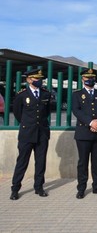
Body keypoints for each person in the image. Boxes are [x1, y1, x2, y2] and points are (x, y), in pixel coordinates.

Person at [10, 69, 51, 200]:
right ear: (28, 80)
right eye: (35, 79)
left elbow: (47, 112)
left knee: (40, 162)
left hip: (42, 133)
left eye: (40, 79)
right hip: (27, 133)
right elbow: (17, 113)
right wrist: (28, 123)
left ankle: (39, 187)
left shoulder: (46, 94)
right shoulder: (21, 95)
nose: (39, 81)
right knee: (22, 162)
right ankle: (15, 188)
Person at [72, 68, 97, 199]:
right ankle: (81, 188)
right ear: (82, 79)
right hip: (83, 133)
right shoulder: (76, 94)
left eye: (92, 78)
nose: (90, 80)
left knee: (96, 161)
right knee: (83, 162)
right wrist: (91, 123)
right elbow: (76, 111)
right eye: (87, 78)